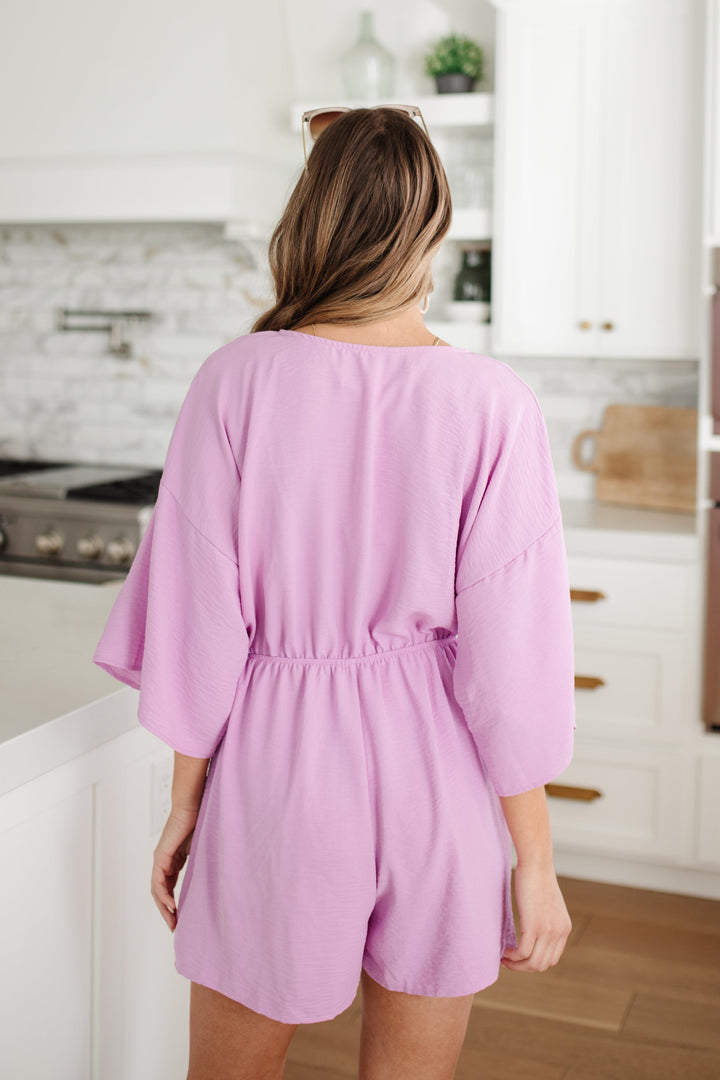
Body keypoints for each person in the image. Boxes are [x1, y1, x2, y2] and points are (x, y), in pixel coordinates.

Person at [92, 105, 576, 1080]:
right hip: (440, 781)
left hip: (280, 775)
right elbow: (510, 665)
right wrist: (536, 858)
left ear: (309, 219)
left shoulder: (234, 381)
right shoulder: (494, 402)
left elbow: (199, 626)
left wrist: (186, 805)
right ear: (433, 229)